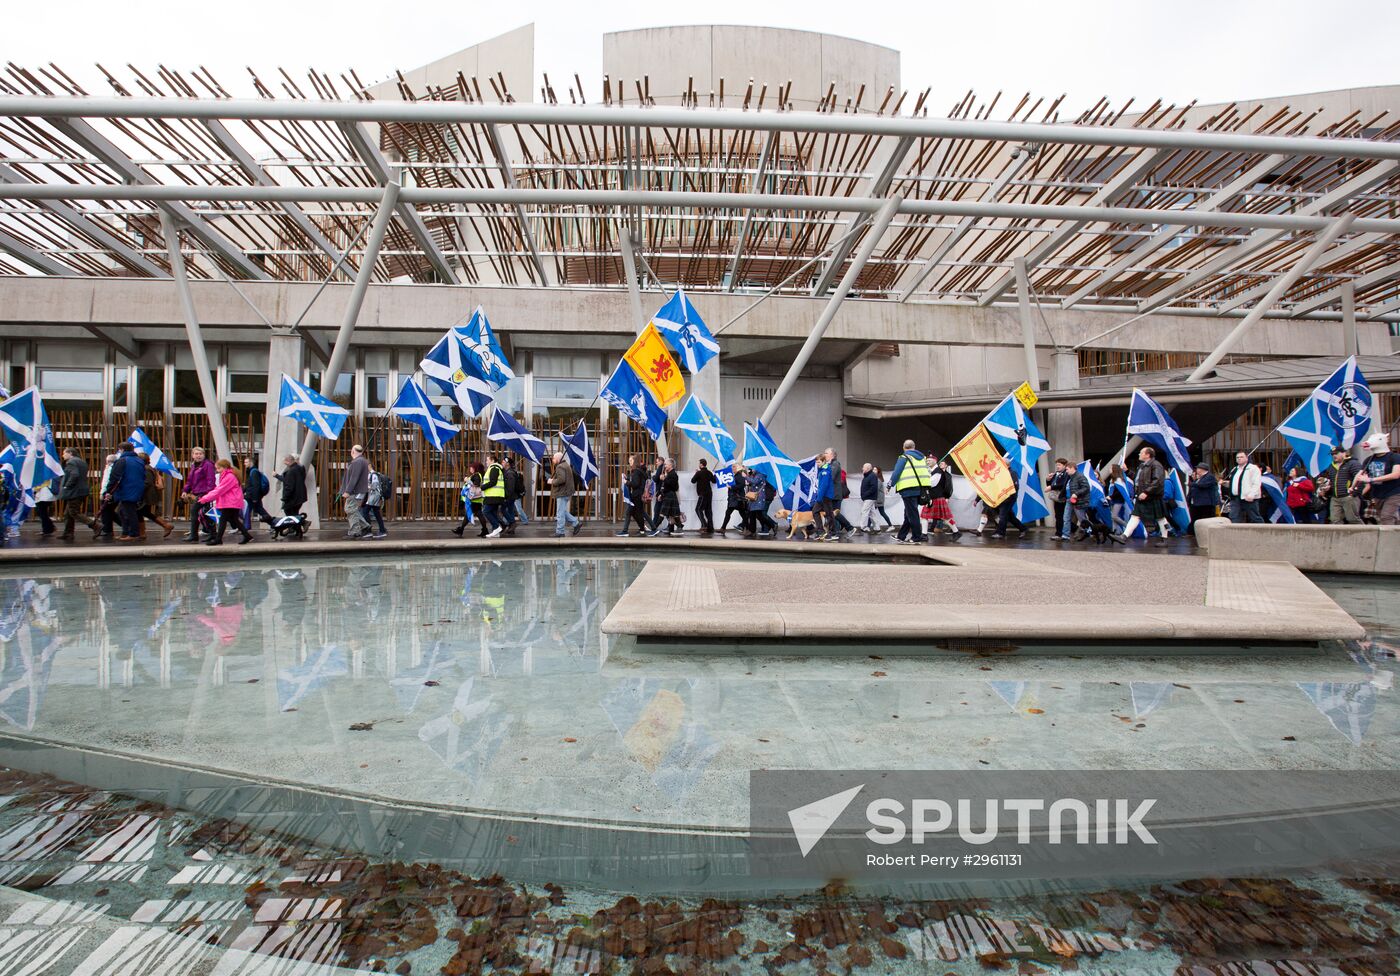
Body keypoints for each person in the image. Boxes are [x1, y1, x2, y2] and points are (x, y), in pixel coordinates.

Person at [1114, 446, 1171, 547]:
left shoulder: (1156, 465)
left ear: (1147, 455)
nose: (1139, 454)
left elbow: (1157, 481)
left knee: (1160, 518)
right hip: (1142, 496)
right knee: (1135, 516)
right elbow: (1137, 479)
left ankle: (1165, 538)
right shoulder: (1142, 466)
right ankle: (1124, 536)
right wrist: (1127, 471)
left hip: (1152, 496)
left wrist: (1146, 492)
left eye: (1141, 452)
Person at [199, 458, 252, 546]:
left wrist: (205, 498)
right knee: (234, 520)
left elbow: (220, 490)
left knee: (223, 519)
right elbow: (220, 489)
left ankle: (218, 539)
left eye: (218, 468)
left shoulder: (229, 477)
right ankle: (247, 536)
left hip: (230, 502)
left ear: (224, 467)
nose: (217, 470)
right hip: (232, 501)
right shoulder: (229, 475)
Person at [888, 439, 931, 545]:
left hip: (908, 489)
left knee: (912, 514)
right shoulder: (922, 458)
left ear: (904, 447)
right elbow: (928, 471)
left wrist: (890, 484)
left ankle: (917, 537)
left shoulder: (904, 457)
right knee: (909, 513)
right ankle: (901, 536)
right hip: (920, 489)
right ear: (914, 447)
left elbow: (897, 472)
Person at [105, 441, 148, 542]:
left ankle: (133, 533)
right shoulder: (139, 460)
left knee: (129, 512)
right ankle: (126, 532)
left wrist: (108, 491)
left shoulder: (122, 460)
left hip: (126, 489)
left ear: (122, 450)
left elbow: (114, 477)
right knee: (123, 511)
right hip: (137, 489)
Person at [1356, 431, 1400, 525]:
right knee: (1389, 517)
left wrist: (1371, 480)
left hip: (1394, 493)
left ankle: (1388, 539)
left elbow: (1396, 474)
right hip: (1377, 494)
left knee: (1386, 517)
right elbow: (1359, 474)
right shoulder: (1368, 460)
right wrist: (1352, 487)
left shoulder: (1395, 457)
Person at [181, 447, 216, 543]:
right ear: (192, 455)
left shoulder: (207, 465)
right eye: (196, 454)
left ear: (204, 455)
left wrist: (208, 493)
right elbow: (190, 480)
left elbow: (210, 480)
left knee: (194, 511)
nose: (198, 455)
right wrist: (185, 490)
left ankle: (194, 535)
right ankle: (213, 534)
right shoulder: (194, 465)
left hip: (204, 493)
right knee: (205, 514)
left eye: (200, 454)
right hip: (198, 492)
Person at [135, 452, 174, 538]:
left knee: (141, 512)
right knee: (144, 512)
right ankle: (164, 526)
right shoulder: (148, 468)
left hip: (147, 495)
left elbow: (147, 482)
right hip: (148, 495)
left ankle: (165, 526)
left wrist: (137, 489)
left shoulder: (146, 469)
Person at [57, 447, 92, 541]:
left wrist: (67, 486)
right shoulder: (82, 461)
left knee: (74, 512)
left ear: (70, 453)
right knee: (68, 514)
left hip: (74, 491)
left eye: (64, 453)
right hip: (81, 490)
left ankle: (95, 525)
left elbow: (74, 475)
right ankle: (68, 533)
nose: (63, 455)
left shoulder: (71, 462)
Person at [924, 459, 962, 540]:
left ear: (935, 461)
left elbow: (932, 484)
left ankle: (924, 535)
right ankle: (956, 532)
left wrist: (947, 497)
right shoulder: (933, 471)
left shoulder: (938, 471)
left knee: (925, 516)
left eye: (930, 460)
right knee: (926, 516)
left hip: (937, 497)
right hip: (934, 497)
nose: (928, 462)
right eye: (927, 461)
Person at [340, 443, 371, 539]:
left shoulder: (357, 462)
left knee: (350, 509)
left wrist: (348, 491)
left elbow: (354, 478)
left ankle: (355, 531)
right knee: (352, 509)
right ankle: (365, 526)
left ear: (352, 451)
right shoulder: (363, 461)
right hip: (359, 491)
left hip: (354, 491)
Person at [549, 451, 582, 538]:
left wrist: (552, 481)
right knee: (562, 511)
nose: (552, 460)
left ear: (558, 459)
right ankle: (576, 523)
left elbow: (561, 479)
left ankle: (560, 531)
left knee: (560, 513)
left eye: (554, 458)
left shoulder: (560, 466)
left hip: (562, 492)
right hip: (566, 492)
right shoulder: (566, 465)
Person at [1326, 447, 1363, 525]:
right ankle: (1340, 537)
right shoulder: (1331, 466)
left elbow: (1360, 479)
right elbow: (1330, 481)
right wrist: (1327, 489)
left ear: (1344, 453)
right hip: (1335, 497)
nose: (1334, 456)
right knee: (1334, 520)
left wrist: (1354, 493)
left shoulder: (1353, 463)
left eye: (1336, 453)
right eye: (1332, 454)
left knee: (1353, 519)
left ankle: (1363, 536)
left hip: (1349, 496)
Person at [1225, 451, 1264, 524]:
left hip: (1248, 497)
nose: (1239, 459)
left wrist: (1252, 494)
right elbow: (1235, 483)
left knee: (1254, 517)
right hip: (1235, 497)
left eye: (1241, 457)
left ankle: (1263, 533)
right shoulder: (1235, 469)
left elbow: (1256, 483)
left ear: (1246, 458)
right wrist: (1225, 483)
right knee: (1234, 516)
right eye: (1237, 457)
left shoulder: (1253, 468)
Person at [646, 459, 681, 536]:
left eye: (666, 464)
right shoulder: (669, 474)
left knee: (662, 514)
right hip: (667, 495)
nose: (665, 466)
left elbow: (674, 487)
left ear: (670, 465)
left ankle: (654, 529)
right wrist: (661, 494)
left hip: (670, 496)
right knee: (673, 514)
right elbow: (665, 486)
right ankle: (679, 527)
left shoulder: (673, 474)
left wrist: (664, 479)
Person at [480, 454, 512, 539]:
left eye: (487, 460)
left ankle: (497, 527)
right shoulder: (495, 468)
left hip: (494, 496)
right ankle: (496, 532)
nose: (486, 462)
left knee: (486, 511)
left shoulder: (494, 468)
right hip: (495, 495)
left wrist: (482, 487)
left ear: (492, 460)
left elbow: (493, 482)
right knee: (493, 512)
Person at [617, 455, 650, 537]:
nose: (629, 462)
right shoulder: (639, 471)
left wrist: (626, 482)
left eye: (631, 461)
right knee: (636, 513)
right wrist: (627, 478)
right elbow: (636, 481)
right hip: (637, 495)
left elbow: (635, 484)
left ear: (635, 462)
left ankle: (626, 531)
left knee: (634, 513)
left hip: (636, 495)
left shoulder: (636, 471)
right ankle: (642, 529)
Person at [242, 456, 274, 533]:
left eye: (246, 462)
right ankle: (273, 524)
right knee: (257, 510)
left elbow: (255, 485)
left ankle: (273, 524)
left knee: (254, 510)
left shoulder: (254, 472)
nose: (244, 464)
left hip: (252, 496)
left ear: (251, 463)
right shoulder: (252, 471)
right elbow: (249, 485)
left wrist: (255, 498)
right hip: (252, 496)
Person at [1186, 462, 1220, 532]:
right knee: (1195, 519)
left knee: (1205, 520)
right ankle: (1192, 532)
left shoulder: (1209, 477)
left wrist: (1191, 484)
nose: (1196, 470)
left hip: (1206, 504)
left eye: (1198, 468)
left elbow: (1202, 485)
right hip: (1196, 503)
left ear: (1202, 469)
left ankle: (1204, 532)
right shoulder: (1199, 478)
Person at [1064, 462, 1094, 540]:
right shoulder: (1071, 477)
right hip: (1070, 500)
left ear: (1072, 468)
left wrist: (1076, 494)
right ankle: (1065, 535)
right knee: (1066, 517)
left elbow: (1086, 487)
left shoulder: (1080, 477)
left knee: (1082, 519)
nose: (1066, 471)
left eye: (1067, 469)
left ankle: (1092, 532)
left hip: (1079, 501)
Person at [93, 452, 118, 539]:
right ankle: (110, 529)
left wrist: (103, 493)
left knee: (106, 511)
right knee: (109, 511)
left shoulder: (109, 469)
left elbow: (106, 482)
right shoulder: (112, 468)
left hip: (108, 493)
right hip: (111, 492)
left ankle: (108, 530)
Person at [275, 455, 307, 519]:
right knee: (294, 514)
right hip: (300, 497)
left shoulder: (291, 471)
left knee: (290, 513)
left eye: (285, 462)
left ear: (288, 461)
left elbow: (289, 486)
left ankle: (301, 524)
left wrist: (285, 498)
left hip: (293, 498)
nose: (285, 464)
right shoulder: (300, 468)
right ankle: (296, 527)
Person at [719, 462, 748, 534]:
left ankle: (749, 529)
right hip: (734, 499)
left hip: (738, 499)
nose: (732, 468)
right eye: (732, 467)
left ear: (738, 468)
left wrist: (731, 487)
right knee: (729, 513)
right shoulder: (736, 475)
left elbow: (742, 485)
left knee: (743, 515)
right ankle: (723, 528)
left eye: (734, 467)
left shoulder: (739, 476)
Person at [1047, 458, 1072, 540]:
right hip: (1057, 498)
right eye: (1057, 465)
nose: (1057, 467)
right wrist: (1048, 480)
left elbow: (1062, 484)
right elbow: (1051, 484)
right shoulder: (1056, 474)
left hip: (1063, 497)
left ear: (1064, 466)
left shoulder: (1066, 474)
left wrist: (1051, 487)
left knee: (1062, 516)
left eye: (1059, 465)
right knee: (1058, 515)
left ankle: (1060, 533)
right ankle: (1060, 532)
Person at [746, 468, 776, 537]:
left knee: (760, 514)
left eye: (753, 468)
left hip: (758, 498)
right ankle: (752, 531)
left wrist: (745, 476)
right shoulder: (756, 475)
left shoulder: (760, 475)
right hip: (755, 497)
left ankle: (772, 525)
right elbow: (753, 483)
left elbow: (754, 482)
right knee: (753, 514)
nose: (752, 470)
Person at [363, 461, 389, 539]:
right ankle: (382, 530)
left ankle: (368, 531)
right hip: (374, 497)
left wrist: (366, 487)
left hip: (373, 497)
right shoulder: (371, 474)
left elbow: (374, 486)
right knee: (377, 514)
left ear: (370, 465)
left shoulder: (373, 475)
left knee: (365, 512)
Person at [690, 458, 716, 534]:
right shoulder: (709, 472)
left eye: (699, 464)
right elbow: (714, 481)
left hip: (702, 494)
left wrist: (696, 473)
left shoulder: (699, 473)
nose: (698, 465)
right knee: (708, 511)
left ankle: (704, 525)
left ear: (701, 464)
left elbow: (692, 481)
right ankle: (710, 528)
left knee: (698, 509)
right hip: (709, 493)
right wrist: (714, 475)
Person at [502, 457, 525, 536]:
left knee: (503, 509)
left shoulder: (510, 473)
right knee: (510, 511)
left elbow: (510, 487)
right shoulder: (509, 472)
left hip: (510, 496)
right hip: (512, 496)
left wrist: (507, 496)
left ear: (507, 464)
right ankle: (511, 528)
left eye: (503, 461)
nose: (502, 462)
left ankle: (512, 524)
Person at [859, 463, 884, 533]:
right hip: (869, 497)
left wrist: (865, 495)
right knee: (872, 513)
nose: (862, 469)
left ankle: (863, 527)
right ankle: (877, 528)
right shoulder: (868, 476)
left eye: (863, 467)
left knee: (864, 511)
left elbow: (873, 488)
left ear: (867, 468)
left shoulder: (871, 476)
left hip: (869, 497)